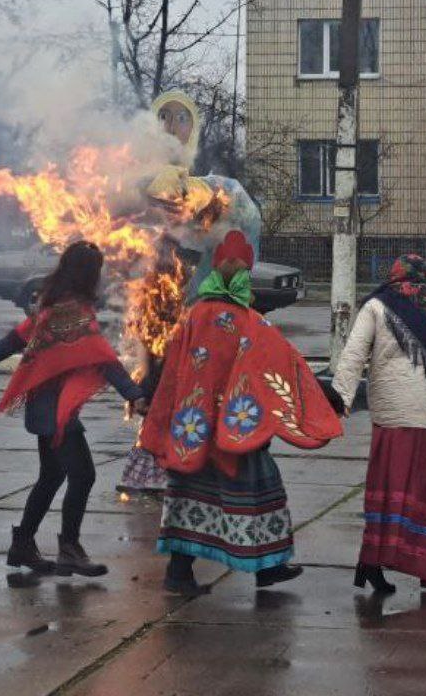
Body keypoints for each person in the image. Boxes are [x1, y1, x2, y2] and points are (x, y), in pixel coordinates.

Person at [140, 231, 343, 594]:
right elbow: (285, 366)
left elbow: (171, 369)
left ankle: (182, 573)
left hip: (194, 429)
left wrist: (154, 407)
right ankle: (265, 567)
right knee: (260, 492)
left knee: (190, 498)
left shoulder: (194, 315)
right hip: (238, 430)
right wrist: (327, 395)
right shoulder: (251, 322)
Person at [0, 241, 145, 578]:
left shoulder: (52, 305)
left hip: (45, 409)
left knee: (52, 476)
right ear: (88, 274)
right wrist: (134, 393)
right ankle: (69, 549)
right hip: (56, 413)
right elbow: (103, 358)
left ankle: (23, 544)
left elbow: (12, 342)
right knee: (82, 475)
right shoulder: (73, 313)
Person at [333, 254, 426, 594]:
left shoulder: (377, 305)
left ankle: (373, 561)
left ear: (394, 275)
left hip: (390, 414)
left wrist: (339, 400)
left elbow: (353, 356)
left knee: (388, 488)